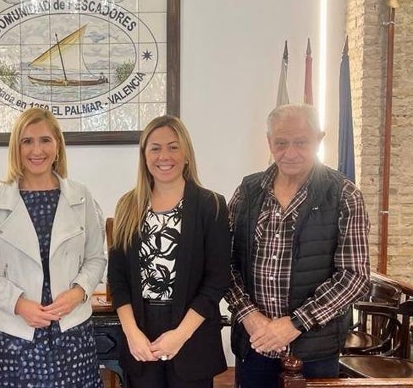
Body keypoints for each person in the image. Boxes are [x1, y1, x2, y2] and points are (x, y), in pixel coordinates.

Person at [226, 103, 370, 388]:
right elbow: (223, 262)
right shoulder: (248, 191)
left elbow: (354, 276)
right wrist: (249, 316)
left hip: (314, 349)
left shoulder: (344, 194)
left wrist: (293, 324)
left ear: (319, 139)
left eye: (301, 142)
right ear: (269, 142)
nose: (290, 152)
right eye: (281, 142)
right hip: (254, 343)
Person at [0, 108, 106, 387]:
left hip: (72, 334)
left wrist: (78, 292)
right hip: (14, 337)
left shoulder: (81, 196)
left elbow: (96, 258)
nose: (36, 150)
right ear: (16, 148)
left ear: (57, 146)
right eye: (26, 141)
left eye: (45, 140)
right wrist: (18, 303)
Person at [107, 115, 231, 388]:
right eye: (155, 148)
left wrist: (180, 335)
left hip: (192, 334)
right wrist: (132, 334)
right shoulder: (128, 206)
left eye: (174, 147)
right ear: (144, 155)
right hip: (140, 334)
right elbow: (117, 280)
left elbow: (217, 281)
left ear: (186, 154)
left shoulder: (212, 205)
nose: (165, 155)